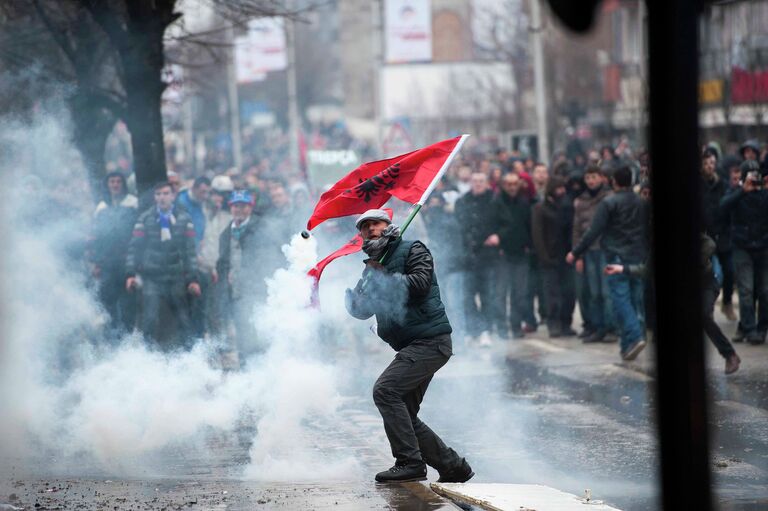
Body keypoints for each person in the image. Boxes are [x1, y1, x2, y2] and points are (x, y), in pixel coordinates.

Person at [344, 209, 474, 484]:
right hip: (412, 345)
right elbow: (363, 310)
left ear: (388, 225)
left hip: (430, 341)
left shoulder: (412, 249)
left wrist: (383, 279)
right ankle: (453, 467)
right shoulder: (373, 265)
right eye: (364, 227)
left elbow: (419, 284)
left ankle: (409, 462)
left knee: (385, 391)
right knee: (403, 412)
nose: (370, 229)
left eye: (375, 223)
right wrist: (353, 299)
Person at [605, 232, 741, 374]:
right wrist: (622, 269)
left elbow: (710, 244)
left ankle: (730, 355)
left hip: (705, 285)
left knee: (704, 316)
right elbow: (646, 270)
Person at [567, 166, 649, 361]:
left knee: (621, 301)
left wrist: (576, 252)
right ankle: (627, 345)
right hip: (637, 257)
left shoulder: (608, 203)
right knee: (635, 300)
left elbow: (593, 231)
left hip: (615, 256)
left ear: (613, 181)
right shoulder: (641, 202)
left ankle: (635, 337)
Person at [125, 181, 201, 349]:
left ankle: (190, 355)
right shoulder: (145, 218)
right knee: (149, 319)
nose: (162, 198)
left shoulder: (184, 218)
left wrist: (193, 279)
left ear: (173, 196)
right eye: (158, 194)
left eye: (166, 194)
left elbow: (190, 251)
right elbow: (134, 248)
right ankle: (147, 358)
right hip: (152, 277)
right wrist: (130, 274)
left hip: (176, 276)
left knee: (184, 318)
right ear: (155, 197)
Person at [719, 160, 768, 344]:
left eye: (757, 175)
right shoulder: (735, 192)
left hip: (763, 246)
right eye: (751, 175)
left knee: (764, 290)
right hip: (742, 247)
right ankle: (748, 328)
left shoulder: (763, 193)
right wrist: (742, 191)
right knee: (746, 290)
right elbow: (722, 208)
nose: (754, 179)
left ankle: (762, 327)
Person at [89, 171, 138, 334]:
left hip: (127, 262)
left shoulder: (132, 204)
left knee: (128, 304)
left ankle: (127, 338)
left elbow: (136, 235)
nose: (115, 185)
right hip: (108, 263)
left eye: (118, 182)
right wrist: (96, 262)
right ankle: (112, 339)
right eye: (112, 182)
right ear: (107, 185)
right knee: (108, 302)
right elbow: (97, 237)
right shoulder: (102, 208)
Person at [217, 190, 262, 361]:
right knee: (241, 331)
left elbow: (266, 258)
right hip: (234, 292)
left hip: (255, 291)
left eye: (243, 206)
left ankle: (260, 365)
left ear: (250, 207)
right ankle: (245, 367)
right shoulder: (225, 233)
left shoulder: (259, 228)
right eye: (236, 206)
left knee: (258, 331)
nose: (239, 210)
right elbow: (221, 263)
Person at [454, 172, 499, 345]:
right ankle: (473, 330)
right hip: (467, 257)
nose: (478, 184)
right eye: (475, 181)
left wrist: (497, 236)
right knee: (468, 296)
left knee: (487, 294)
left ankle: (486, 330)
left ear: (486, 183)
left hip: (487, 256)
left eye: (481, 181)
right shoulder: (462, 202)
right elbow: (458, 227)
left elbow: (504, 223)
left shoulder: (494, 201)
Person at [572, 165, 615, 343]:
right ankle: (597, 327)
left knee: (606, 292)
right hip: (588, 251)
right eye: (588, 177)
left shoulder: (609, 198)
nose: (591, 181)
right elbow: (576, 230)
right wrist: (578, 254)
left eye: (594, 177)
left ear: (601, 178)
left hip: (605, 249)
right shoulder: (580, 201)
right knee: (593, 292)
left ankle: (611, 327)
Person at [532, 176, 576, 338]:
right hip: (550, 258)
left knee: (569, 293)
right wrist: (545, 257)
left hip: (565, 256)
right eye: (558, 189)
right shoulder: (541, 209)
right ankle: (554, 323)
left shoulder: (566, 207)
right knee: (553, 295)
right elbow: (538, 235)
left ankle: (566, 323)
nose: (561, 192)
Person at [491, 173, 533, 338]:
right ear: (503, 185)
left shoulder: (524, 203)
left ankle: (516, 326)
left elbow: (528, 226)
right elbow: (492, 226)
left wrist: (529, 245)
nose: (512, 187)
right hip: (502, 254)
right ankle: (502, 327)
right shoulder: (496, 203)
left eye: (515, 184)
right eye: (509, 184)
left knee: (519, 293)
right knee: (501, 293)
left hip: (521, 253)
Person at [198, 175, 234, 337]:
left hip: (220, 269)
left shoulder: (230, 216)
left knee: (218, 309)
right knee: (202, 309)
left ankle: (220, 342)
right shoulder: (200, 213)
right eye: (217, 194)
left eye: (224, 194)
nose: (219, 198)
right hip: (200, 267)